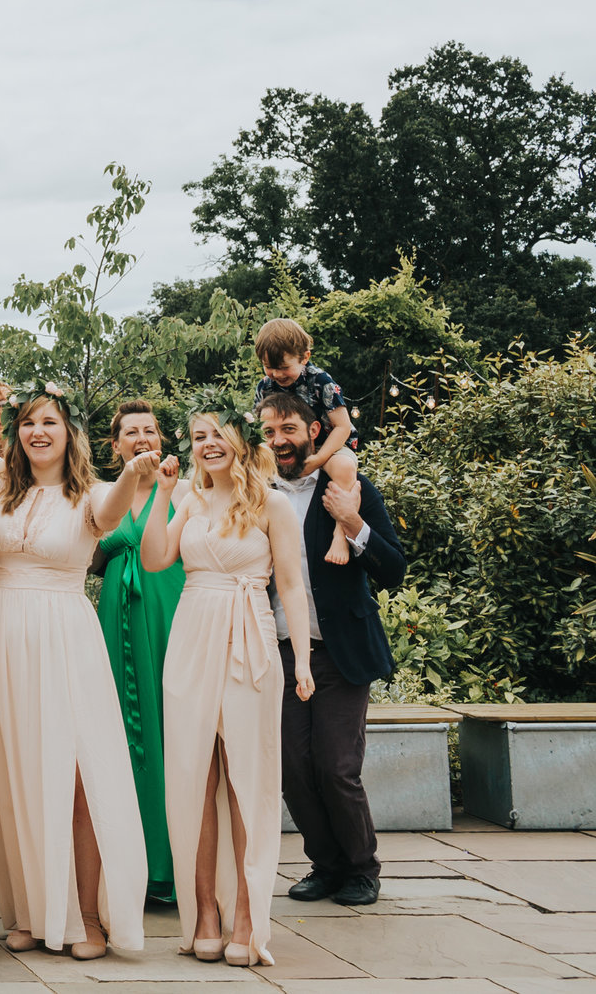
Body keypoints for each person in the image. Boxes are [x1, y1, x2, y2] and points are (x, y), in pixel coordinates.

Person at [0, 388, 149, 960]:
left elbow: (115, 510)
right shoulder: (2, 486)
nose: (37, 431)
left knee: (77, 780)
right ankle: (28, 913)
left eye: (49, 421)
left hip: (65, 639)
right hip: (0, 636)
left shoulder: (92, 494)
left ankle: (90, 918)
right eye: (27, 422)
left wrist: (132, 471)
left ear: (70, 432)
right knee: (15, 778)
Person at [137, 404, 313, 968]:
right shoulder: (189, 498)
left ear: (238, 440)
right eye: (198, 437)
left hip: (249, 640)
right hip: (191, 633)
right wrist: (163, 494)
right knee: (194, 775)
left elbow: (290, 585)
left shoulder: (272, 501)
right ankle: (205, 912)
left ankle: (245, 917)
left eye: (217, 434)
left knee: (245, 778)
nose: (208, 443)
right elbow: (157, 557)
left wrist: (303, 663)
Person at [260, 387, 407, 909]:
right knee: (293, 769)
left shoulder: (348, 485)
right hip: (277, 650)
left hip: (340, 652)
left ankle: (361, 869)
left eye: (289, 429)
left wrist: (352, 520)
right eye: (270, 431)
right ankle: (325, 865)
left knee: (337, 767)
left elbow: (392, 569)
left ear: (313, 431)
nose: (279, 440)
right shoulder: (257, 491)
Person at [96, 400, 188, 908]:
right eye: (130, 432)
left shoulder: (187, 492)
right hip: (117, 619)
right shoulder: (101, 495)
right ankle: (124, 864)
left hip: (170, 612)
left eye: (149, 430)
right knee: (119, 735)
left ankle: (170, 867)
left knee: (167, 729)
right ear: (116, 446)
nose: (141, 438)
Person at [254, 318, 361, 563]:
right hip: (285, 444)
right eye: (269, 367)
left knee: (344, 468)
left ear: (304, 357)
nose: (277, 374)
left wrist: (319, 459)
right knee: (252, 463)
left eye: (283, 367)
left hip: (329, 444)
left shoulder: (321, 382)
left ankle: (340, 534)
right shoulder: (264, 386)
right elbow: (261, 426)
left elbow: (343, 427)